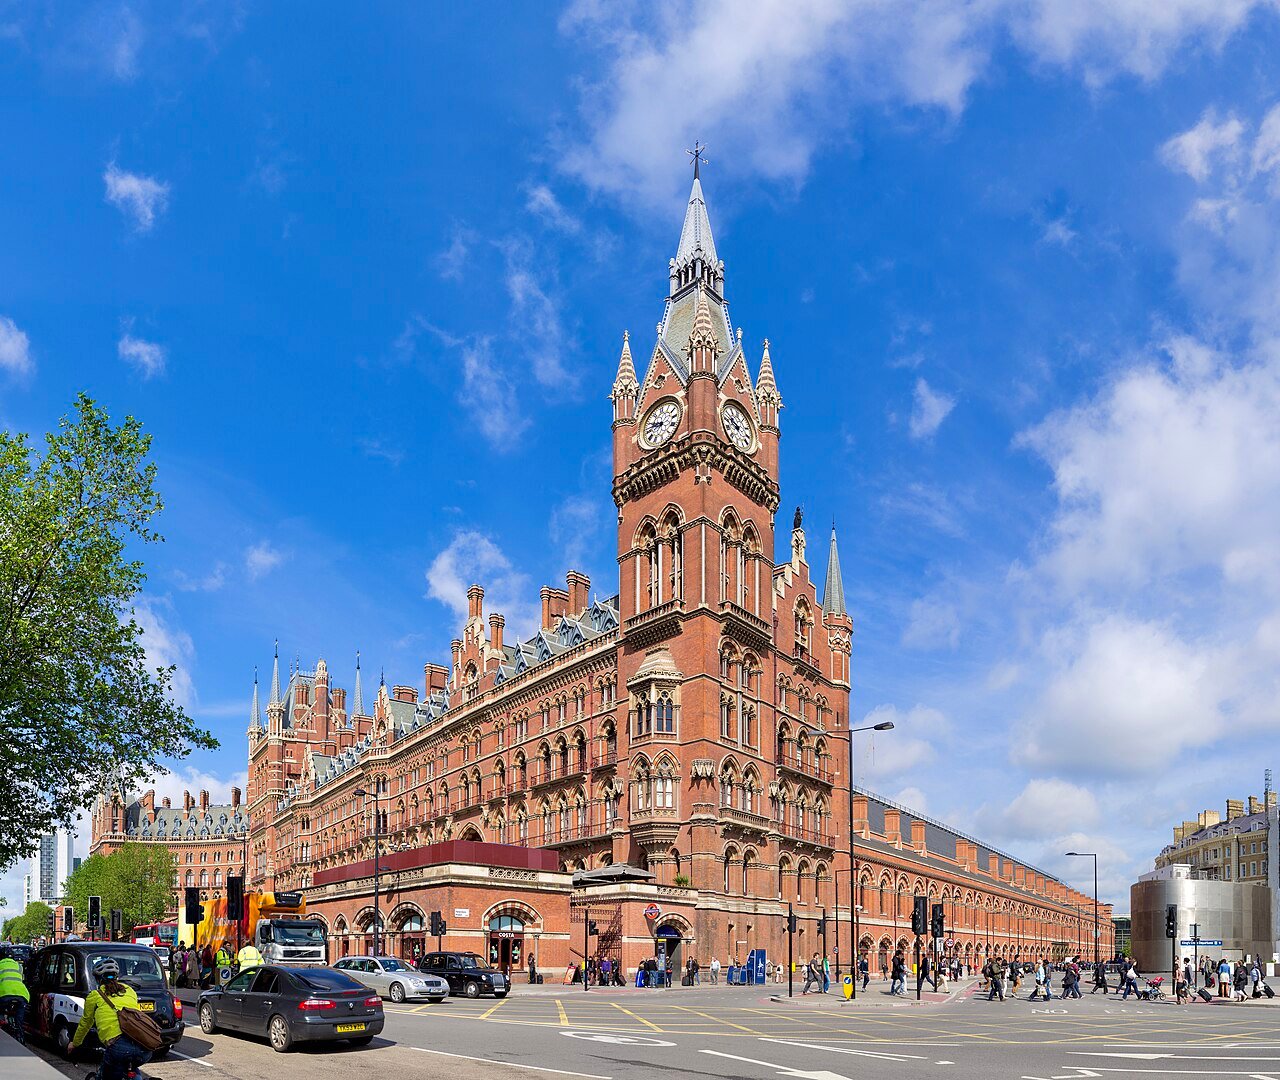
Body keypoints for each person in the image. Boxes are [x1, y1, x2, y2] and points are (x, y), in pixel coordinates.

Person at [68, 957, 152, 1080]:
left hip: (118, 1048)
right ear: (117, 977)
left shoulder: (95, 996)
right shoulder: (130, 991)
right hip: (144, 1048)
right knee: (132, 1066)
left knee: (109, 1072)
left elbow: (86, 1022)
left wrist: (75, 1044)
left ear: (98, 979)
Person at [0, 946, 30, 1043]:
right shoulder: (19, 966)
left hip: (4, 994)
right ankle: (21, 1038)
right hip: (22, 995)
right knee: (19, 1019)